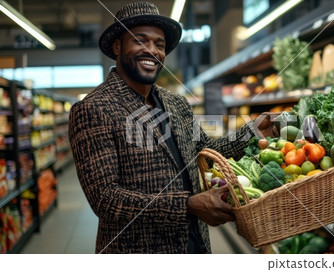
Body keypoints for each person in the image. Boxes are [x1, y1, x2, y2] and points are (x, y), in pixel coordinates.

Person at [68, 2, 276, 254]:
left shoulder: (176, 103)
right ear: (117, 46)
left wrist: (251, 132)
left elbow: (204, 151)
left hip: (193, 245)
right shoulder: (93, 109)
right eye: (140, 40)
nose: (152, 50)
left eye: (160, 44)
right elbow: (106, 199)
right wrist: (186, 205)